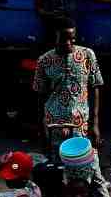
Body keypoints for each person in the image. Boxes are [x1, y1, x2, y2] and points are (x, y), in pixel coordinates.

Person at [35, 17, 103, 145]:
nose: (68, 43)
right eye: (63, 39)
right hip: (54, 126)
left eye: (72, 39)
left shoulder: (88, 55)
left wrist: (95, 124)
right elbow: (41, 95)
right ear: (54, 37)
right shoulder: (44, 60)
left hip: (82, 125)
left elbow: (95, 87)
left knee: (83, 163)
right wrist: (41, 127)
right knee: (56, 162)